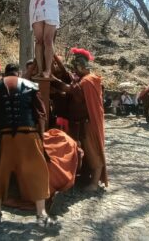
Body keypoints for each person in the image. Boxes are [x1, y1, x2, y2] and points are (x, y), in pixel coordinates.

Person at [0, 63, 57, 228]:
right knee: (37, 172)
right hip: (28, 136)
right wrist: (41, 136)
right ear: (19, 73)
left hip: (4, 137)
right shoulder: (30, 86)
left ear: (4, 74)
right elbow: (41, 114)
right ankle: (41, 214)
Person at [51, 48, 108, 191]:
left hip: (87, 123)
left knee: (92, 151)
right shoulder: (84, 79)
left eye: (76, 66)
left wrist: (52, 80)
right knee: (83, 151)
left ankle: (94, 184)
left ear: (81, 66)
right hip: (78, 122)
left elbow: (69, 89)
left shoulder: (87, 82)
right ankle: (84, 176)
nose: (74, 70)